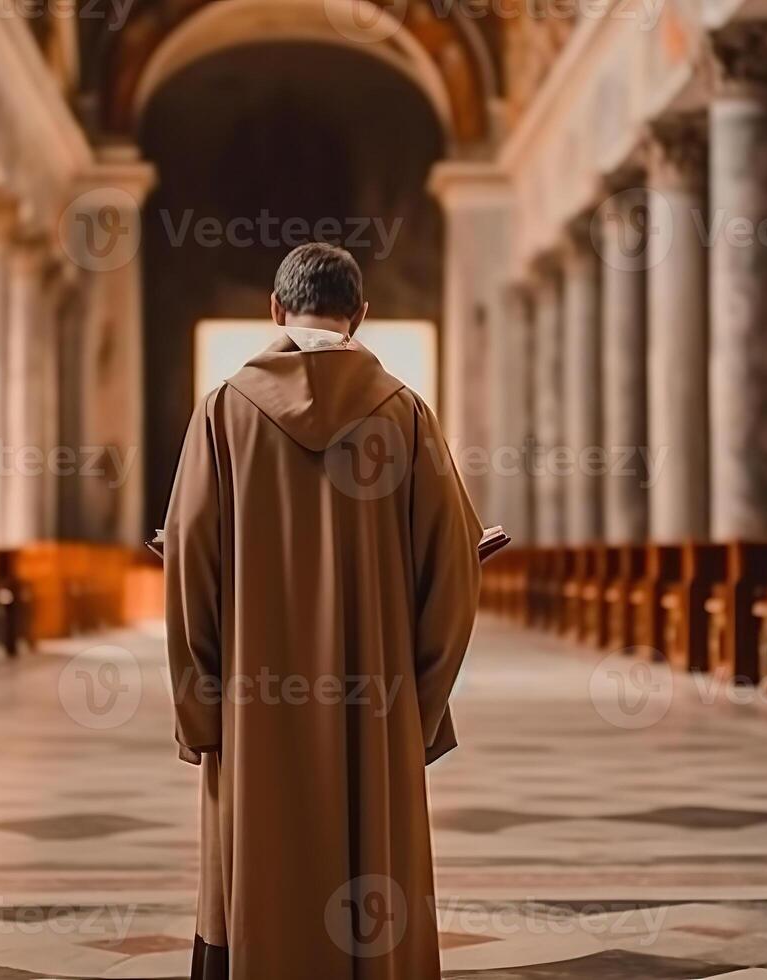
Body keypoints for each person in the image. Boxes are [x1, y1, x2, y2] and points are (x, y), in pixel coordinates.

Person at [163, 242, 482, 980]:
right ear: (360, 317)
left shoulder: (223, 411)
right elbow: (453, 571)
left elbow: (189, 566)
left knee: (258, 870)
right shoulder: (404, 414)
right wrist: (418, 707)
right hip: (377, 707)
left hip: (254, 710)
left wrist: (200, 710)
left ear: (274, 310)